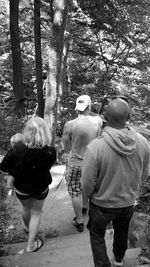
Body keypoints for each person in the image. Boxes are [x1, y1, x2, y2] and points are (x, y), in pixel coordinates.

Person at [81, 98, 150, 267]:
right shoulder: (143, 142)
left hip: (101, 203)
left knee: (96, 233)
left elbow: (87, 183)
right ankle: (119, 259)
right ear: (129, 116)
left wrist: (88, 198)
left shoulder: (96, 147)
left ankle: (103, 264)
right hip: (127, 202)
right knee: (122, 230)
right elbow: (144, 173)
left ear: (105, 116)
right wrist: (133, 190)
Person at [0, 117, 56, 254]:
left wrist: (12, 173)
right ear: (45, 132)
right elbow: (49, 165)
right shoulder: (50, 151)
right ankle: (30, 246)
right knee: (36, 213)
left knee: (25, 207)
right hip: (40, 187)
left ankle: (26, 227)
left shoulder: (17, 149)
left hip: (22, 188)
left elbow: (3, 168)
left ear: (27, 131)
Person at [58, 95, 103, 232]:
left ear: (77, 108)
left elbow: (62, 147)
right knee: (91, 188)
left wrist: (56, 157)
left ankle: (79, 221)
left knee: (74, 191)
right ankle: (86, 207)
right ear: (89, 107)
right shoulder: (98, 121)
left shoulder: (70, 125)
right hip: (93, 163)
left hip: (75, 163)